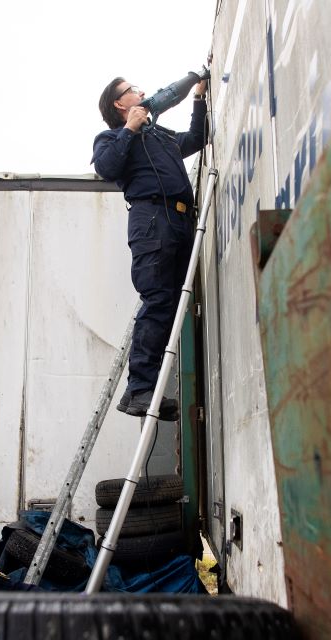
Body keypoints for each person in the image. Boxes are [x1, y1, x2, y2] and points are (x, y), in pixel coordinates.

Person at [91, 76, 208, 420]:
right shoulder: (111, 138)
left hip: (180, 220)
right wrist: (128, 130)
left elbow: (197, 139)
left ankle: (146, 390)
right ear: (119, 103)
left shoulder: (159, 136)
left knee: (172, 306)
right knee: (157, 300)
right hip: (151, 220)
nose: (142, 92)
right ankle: (140, 389)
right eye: (133, 90)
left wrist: (198, 99)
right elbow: (106, 167)